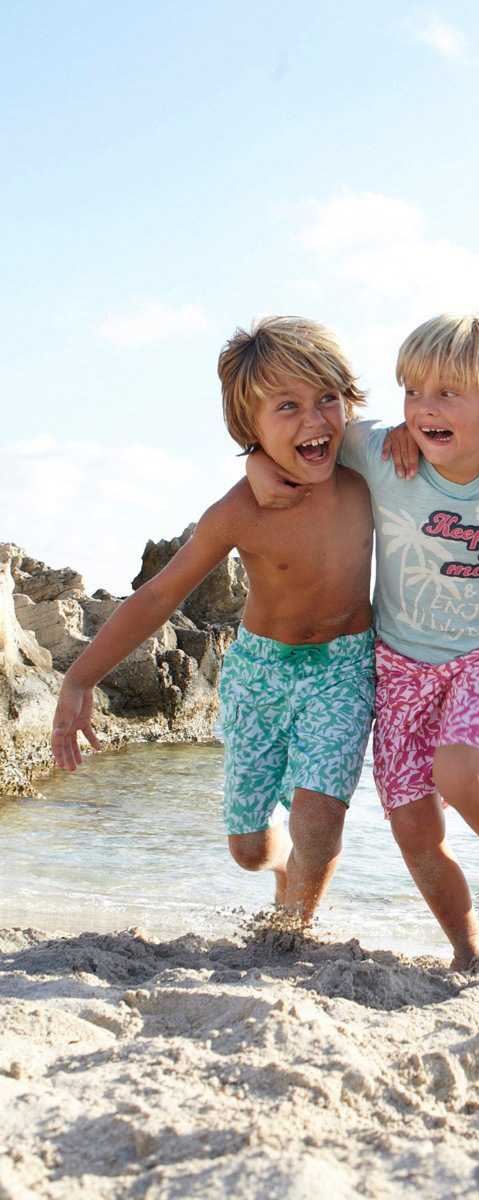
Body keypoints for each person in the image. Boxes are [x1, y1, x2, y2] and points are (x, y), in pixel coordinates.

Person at [246, 315, 479, 967]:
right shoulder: (382, 452)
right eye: (413, 392)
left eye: (447, 394)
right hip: (399, 661)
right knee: (411, 824)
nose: (424, 408)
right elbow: (305, 437)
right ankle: (469, 950)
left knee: (458, 772)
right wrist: (258, 463)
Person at [51, 316, 376, 923]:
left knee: (319, 819)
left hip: (344, 668)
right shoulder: (239, 510)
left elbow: (442, 447)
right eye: (287, 406)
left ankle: (293, 931)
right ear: (250, 428)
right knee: (249, 849)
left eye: (327, 399)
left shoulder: (368, 472)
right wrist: (80, 678)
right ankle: (283, 870)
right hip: (259, 671)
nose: (314, 420)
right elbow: (158, 597)